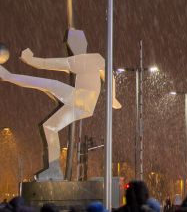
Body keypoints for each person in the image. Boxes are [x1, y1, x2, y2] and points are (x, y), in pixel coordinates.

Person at [0, 30, 121, 180]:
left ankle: (8, 76)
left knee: (51, 84)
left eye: (70, 45)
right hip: (84, 105)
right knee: (49, 127)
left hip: (81, 98)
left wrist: (30, 59)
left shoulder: (80, 60)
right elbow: (110, 76)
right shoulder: (97, 59)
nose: (71, 48)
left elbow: (45, 64)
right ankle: (53, 169)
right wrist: (113, 98)